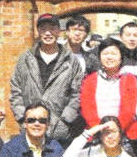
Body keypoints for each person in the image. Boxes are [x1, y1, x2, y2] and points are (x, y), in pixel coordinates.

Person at [10, 13, 85, 145]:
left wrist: (66, 119)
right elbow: (16, 89)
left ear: (59, 31)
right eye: (43, 29)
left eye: (52, 29)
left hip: (59, 130)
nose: (48, 33)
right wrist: (23, 118)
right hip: (31, 127)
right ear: (38, 31)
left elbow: (78, 93)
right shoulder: (26, 59)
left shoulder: (70, 61)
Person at [79, 38, 137, 155]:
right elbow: (87, 108)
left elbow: (129, 109)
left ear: (121, 57)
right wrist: (101, 132)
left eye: (113, 53)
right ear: (99, 57)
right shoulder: (90, 80)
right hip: (96, 134)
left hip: (125, 135)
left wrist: (115, 131)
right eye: (105, 53)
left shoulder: (129, 79)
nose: (109, 57)